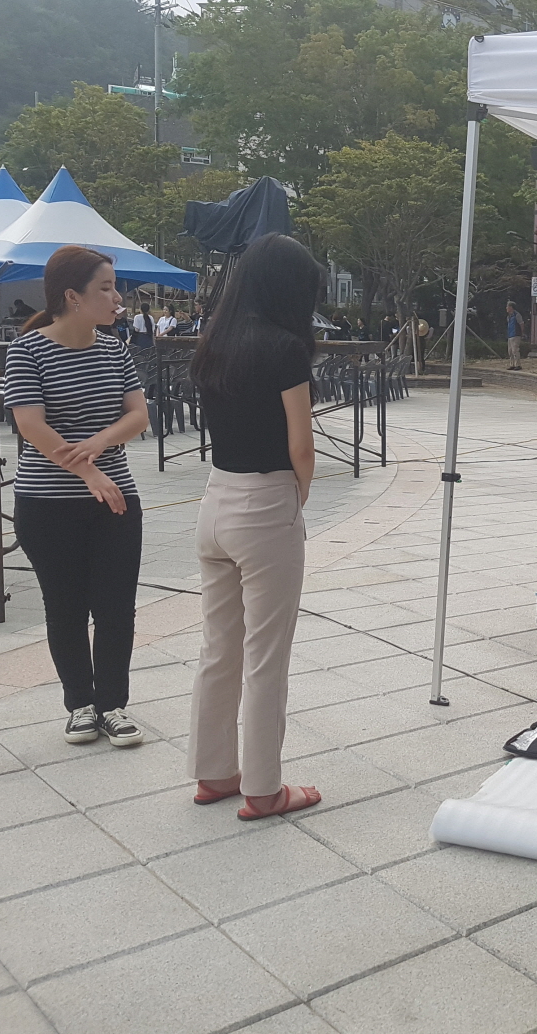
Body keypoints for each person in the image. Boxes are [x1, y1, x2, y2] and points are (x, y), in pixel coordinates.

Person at [186, 233, 322, 820]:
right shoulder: (286, 349)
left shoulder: (214, 341)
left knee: (219, 648)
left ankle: (214, 772)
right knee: (266, 655)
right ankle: (264, 787)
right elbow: (302, 446)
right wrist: (297, 500)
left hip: (215, 499)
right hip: (265, 504)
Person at [3, 246, 149, 747]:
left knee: (116, 607)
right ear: (73, 296)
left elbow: (138, 415)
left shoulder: (115, 349)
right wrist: (88, 473)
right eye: (106, 288)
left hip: (116, 499)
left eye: (115, 288)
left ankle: (113, 705)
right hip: (46, 503)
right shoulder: (27, 351)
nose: (117, 298)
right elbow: (31, 425)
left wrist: (99, 444)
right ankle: (80, 704)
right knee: (64, 606)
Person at [506, 301, 525, 369]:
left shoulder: (517, 315)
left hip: (516, 334)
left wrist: (521, 332)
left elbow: (521, 324)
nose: (506, 308)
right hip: (510, 335)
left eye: (507, 306)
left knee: (515, 350)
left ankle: (518, 365)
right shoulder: (509, 316)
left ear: (511, 307)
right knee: (510, 351)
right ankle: (512, 364)